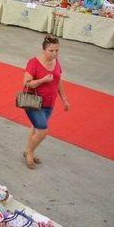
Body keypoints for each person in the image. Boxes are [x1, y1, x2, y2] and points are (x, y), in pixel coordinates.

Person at [22, 35, 69, 169]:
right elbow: (26, 83)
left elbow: (58, 80)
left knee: (35, 129)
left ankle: (28, 150)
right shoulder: (34, 63)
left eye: (56, 51)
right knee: (42, 131)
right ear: (43, 50)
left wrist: (64, 99)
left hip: (50, 103)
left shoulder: (56, 61)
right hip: (34, 103)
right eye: (51, 51)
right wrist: (43, 80)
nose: (54, 54)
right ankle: (30, 153)